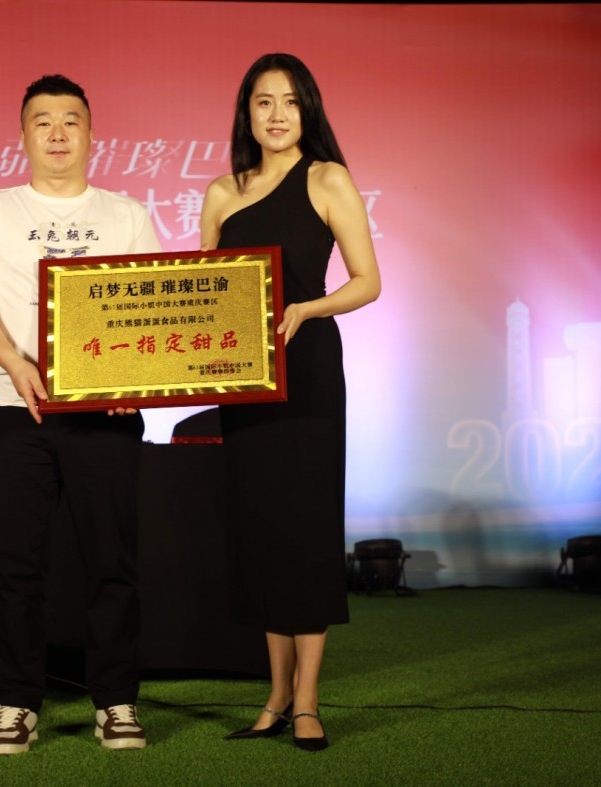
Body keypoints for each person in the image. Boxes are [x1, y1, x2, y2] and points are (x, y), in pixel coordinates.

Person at [0, 74, 162, 755]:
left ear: (92, 135)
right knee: (16, 566)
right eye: (43, 121)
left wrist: (134, 381)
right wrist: (16, 363)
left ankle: (116, 700)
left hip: (106, 415)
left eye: (71, 120)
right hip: (15, 411)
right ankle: (15, 703)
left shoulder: (127, 214)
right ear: (23, 136)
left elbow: (151, 306)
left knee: (111, 562)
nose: (58, 133)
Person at [199, 53, 381, 752]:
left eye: (290, 102)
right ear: (245, 113)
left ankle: (306, 701)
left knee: (304, 529)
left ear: (308, 110)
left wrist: (308, 308)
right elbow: (205, 291)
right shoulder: (222, 192)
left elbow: (367, 281)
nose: (276, 115)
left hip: (307, 372)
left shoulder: (328, 178)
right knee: (261, 530)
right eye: (263, 102)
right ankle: (274, 695)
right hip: (244, 380)